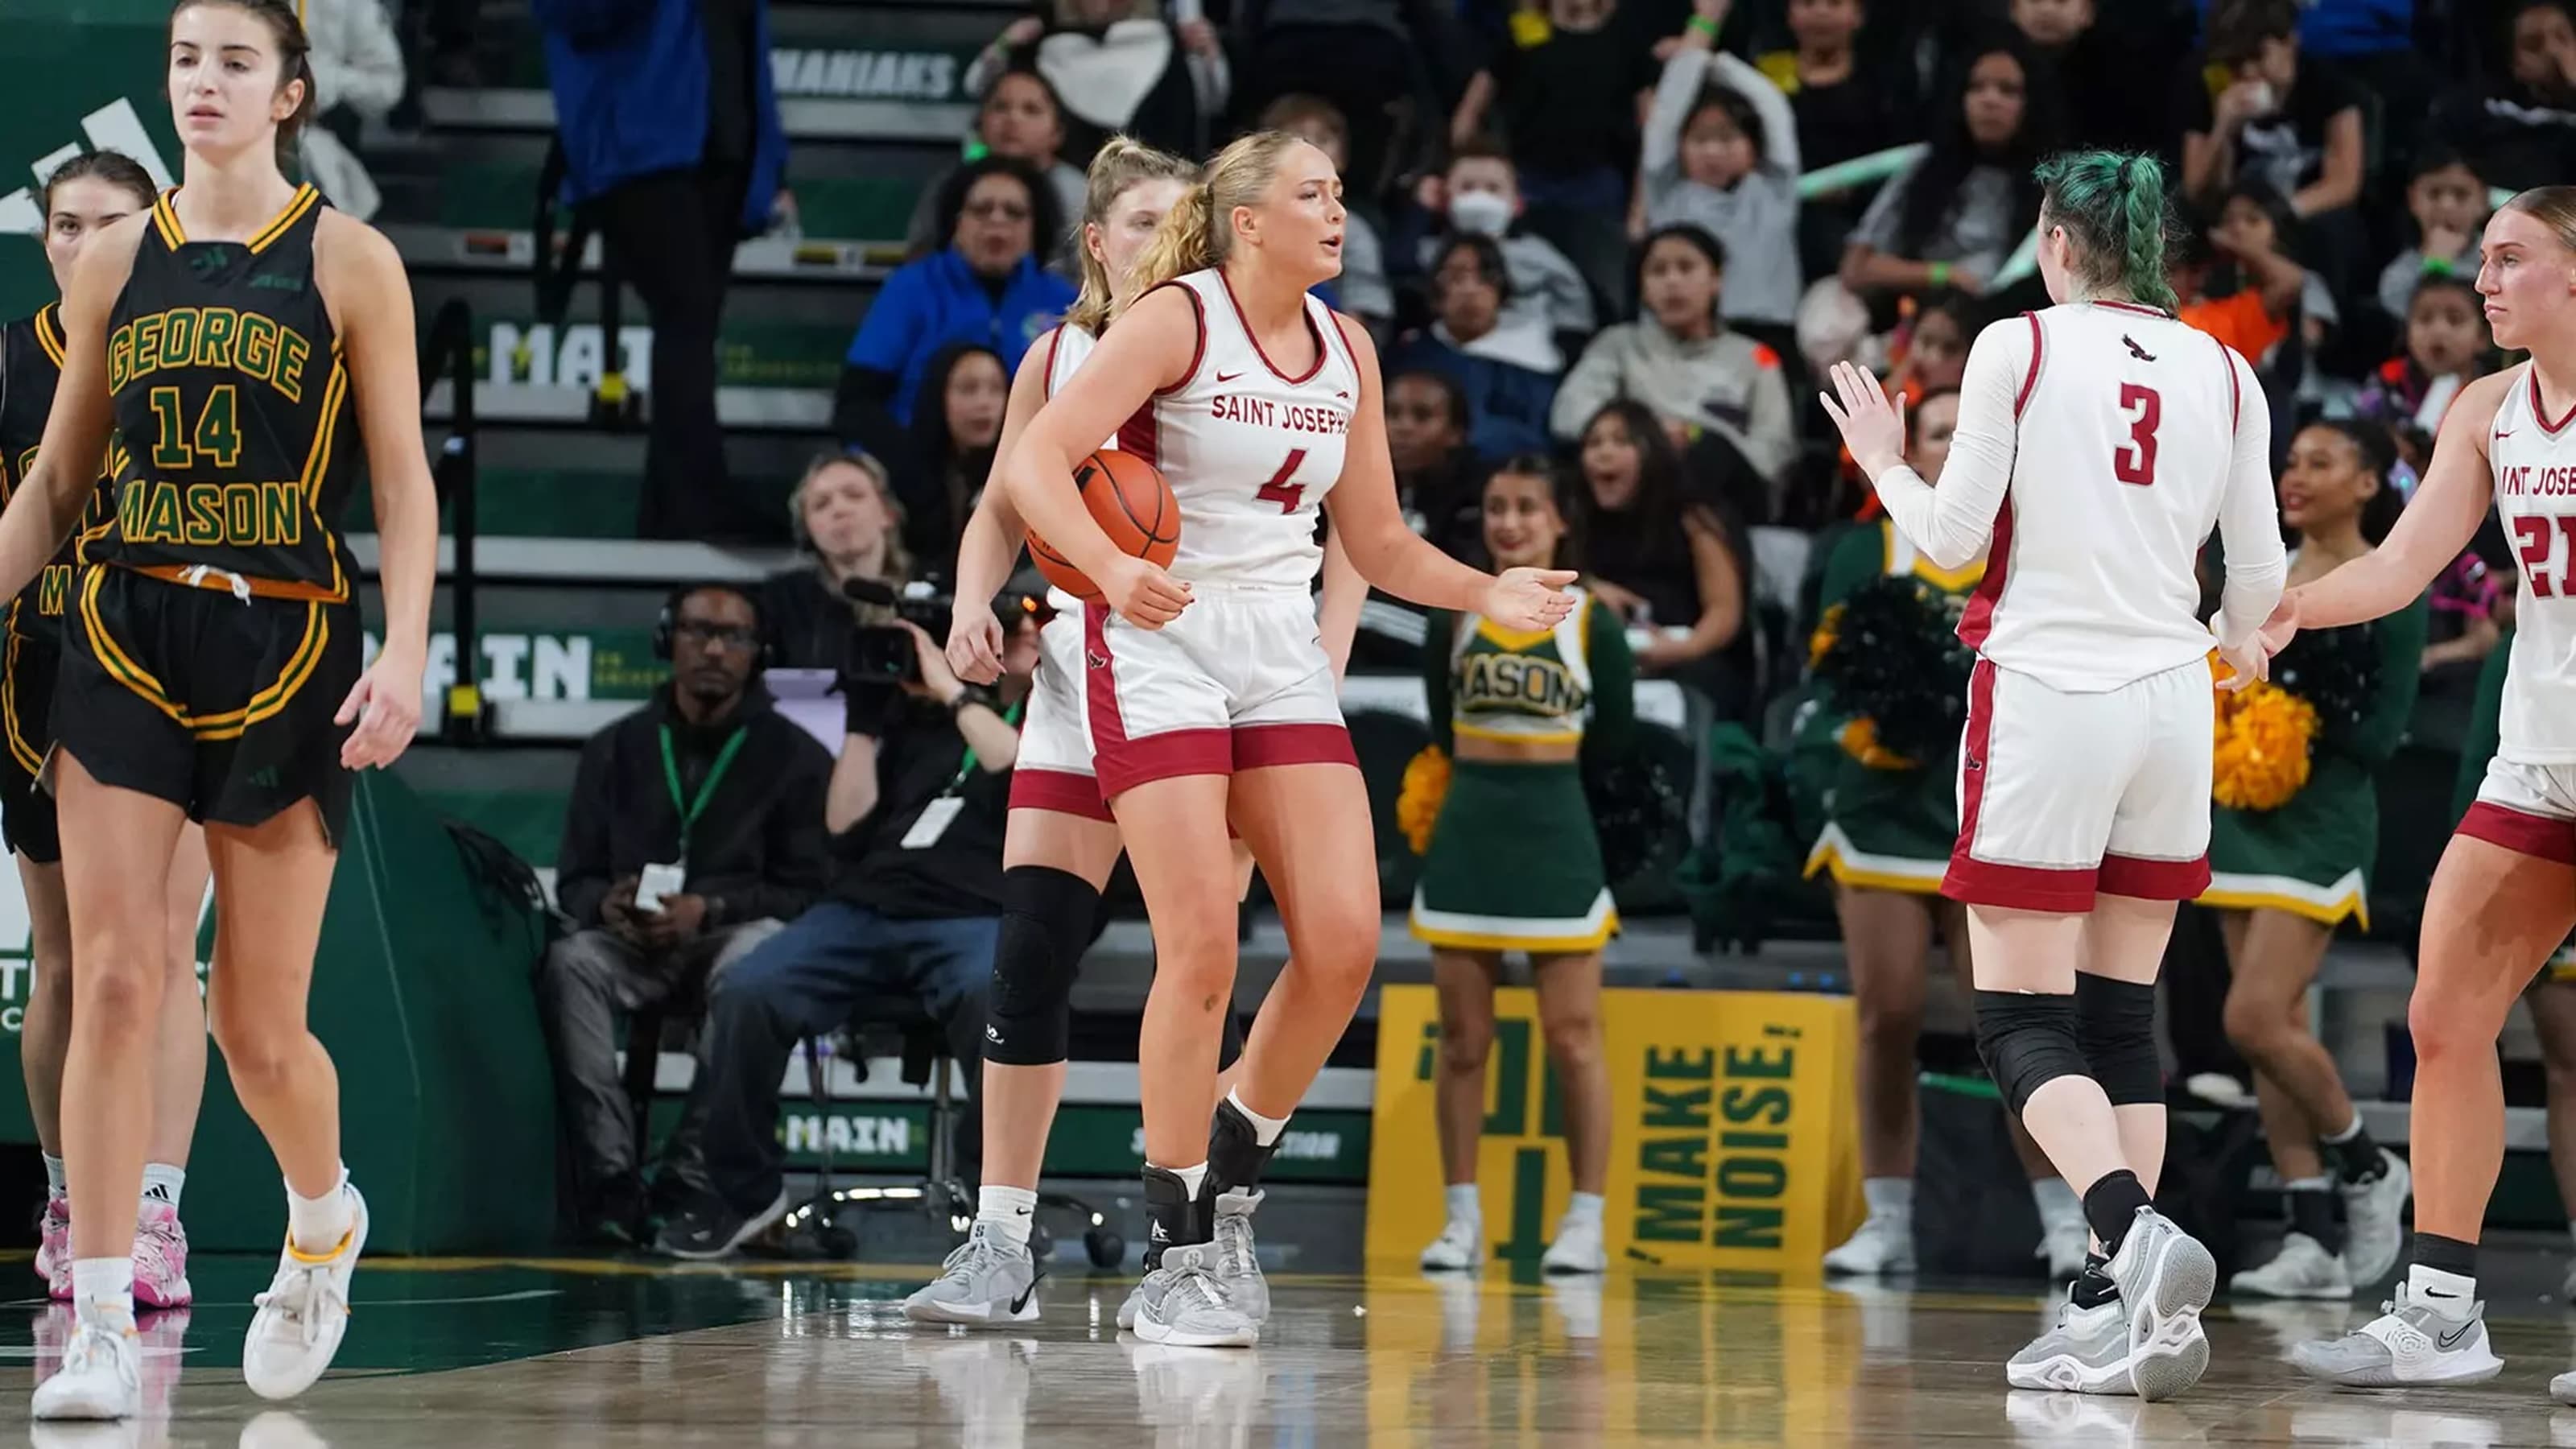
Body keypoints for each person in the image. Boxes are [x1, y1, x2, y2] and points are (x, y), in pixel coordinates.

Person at [995, 129, 1575, 1348]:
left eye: (1344, 193)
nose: (1339, 212)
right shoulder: (1173, 321)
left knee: (1346, 943)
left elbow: (1377, 542)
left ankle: (1233, 1146)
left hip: (1273, 643)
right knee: (1200, 944)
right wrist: (1105, 565)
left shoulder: (1350, 346)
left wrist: (1487, 592)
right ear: (1246, 219)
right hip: (1152, 635)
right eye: (1313, 194)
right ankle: (1177, 1248)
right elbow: (1037, 463)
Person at [0, 0, 437, 1417]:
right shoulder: (116, 260)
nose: (202, 82)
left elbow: (402, 479)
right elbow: (59, 486)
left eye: (233, 62)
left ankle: (323, 1217)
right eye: (187, 59)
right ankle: (103, 1325)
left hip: (286, 641)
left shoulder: (351, 260)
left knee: (258, 1031)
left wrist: (413, 649)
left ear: (290, 92)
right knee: (119, 978)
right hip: (124, 631)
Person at [1819, 150, 2284, 1401]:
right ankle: (2106, 1306)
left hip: (2047, 692)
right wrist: (2228, 646)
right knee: (2122, 1016)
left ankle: (2134, 1235)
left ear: (2058, 245)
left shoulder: (2017, 346)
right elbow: (2256, 590)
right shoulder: (2230, 372)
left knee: (2016, 1012)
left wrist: (1880, 454)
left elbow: (1955, 542)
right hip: (2171, 705)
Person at [904, 135, 1365, 1328]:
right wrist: (968, 601)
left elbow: (1349, 521)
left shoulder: (1240, 345)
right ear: (1101, 243)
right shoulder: (1062, 354)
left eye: (1192, 217)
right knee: (1034, 955)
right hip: (1085, 678)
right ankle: (1001, 1239)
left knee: (1223, 951)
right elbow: (1008, 500)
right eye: (1152, 219)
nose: (1181, 238)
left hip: (1228, 676)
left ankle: (1211, 1204)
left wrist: (1329, 647)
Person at [2268, 189, 2576, 1397]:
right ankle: (2444, 1309)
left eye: (2511, 260)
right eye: (2482, 261)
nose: (2484, 282)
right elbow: (2401, 567)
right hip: (2538, 760)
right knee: (2445, 1013)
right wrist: (2291, 606)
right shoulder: (2490, 407)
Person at [1803, 389, 2090, 1282]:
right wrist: (1869, 728)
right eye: (1933, 432)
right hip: (1883, 811)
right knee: (1884, 1015)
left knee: (2010, 1023)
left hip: (1995, 809)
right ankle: (1886, 1218)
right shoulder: (1866, 548)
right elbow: (1826, 673)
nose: (1950, 444)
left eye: (1964, 433)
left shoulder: (2030, 546)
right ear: (1909, 448)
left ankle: (2062, 1218)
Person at [2, 152, 216, 1313]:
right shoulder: (12, 358)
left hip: (174, 669)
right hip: (40, 678)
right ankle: (70, 1198)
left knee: (167, 950)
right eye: (63, 225)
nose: (83, 244)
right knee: (71, 961)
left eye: (109, 224)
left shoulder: (197, 350)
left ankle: (154, 1213)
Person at [657, 612, 1030, 1258]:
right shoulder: (913, 728)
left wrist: (954, 691)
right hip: (865, 912)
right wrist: (862, 720)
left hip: (978, 913)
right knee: (749, 987)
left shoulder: (1050, 716)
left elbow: (1013, 769)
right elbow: (841, 829)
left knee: (993, 992)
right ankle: (747, 1196)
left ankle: (999, 1211)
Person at [538, 584, 830, 1245]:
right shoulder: (613, 749)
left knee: (758, 960)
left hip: (726, 941)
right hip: (633, 943)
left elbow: (808, 891)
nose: (715, 649)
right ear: (668, 640)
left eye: (735, 638)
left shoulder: (796, 756)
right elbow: (575, 881)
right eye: (699, 631)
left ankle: (691, 1173)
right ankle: (610, 1176)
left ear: (760, 655)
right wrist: (602, 903)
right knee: (569, 961)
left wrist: (712, 907)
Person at [2202, 421, 2421, 1301]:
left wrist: (2288, 722)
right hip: (2235, 817)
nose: (2294, 475)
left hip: (2321, 821)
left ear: (2368, 483)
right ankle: (2311, 1237)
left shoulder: (2389, 581)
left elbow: (2380, 728)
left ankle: (2368, 1168)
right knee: (2273, 1032)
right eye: (2289, 461)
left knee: (2251, 1018)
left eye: (2320, 462)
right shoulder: (2254, 576)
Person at [1411, 457, 1632, 1276]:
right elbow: (1440, 719)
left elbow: (1612, 738)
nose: (1509, 522)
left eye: (1527, 509)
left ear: (1558, 523)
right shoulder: (1456, 613)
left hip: (1556, 836)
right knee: (1463, 1040)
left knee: (1573, 1039)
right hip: (1469, 830)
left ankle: (1585, 1220)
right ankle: (1459, 1219)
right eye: (1497, 507)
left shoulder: (1590, 622)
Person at [530, 0, 785, 539]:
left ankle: (666, 510)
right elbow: (569, 14)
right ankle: (699, 504)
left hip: (724, 149)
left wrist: (770, 160)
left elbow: (743, 37)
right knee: (685, 317)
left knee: (691, 330)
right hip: (636, 152)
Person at [758, 452, 913, 672]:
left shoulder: (927, 591)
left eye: (854, 495)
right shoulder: (782, 600)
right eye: (821, 505)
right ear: (807, 529)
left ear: (887, 513)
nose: (839, 510)